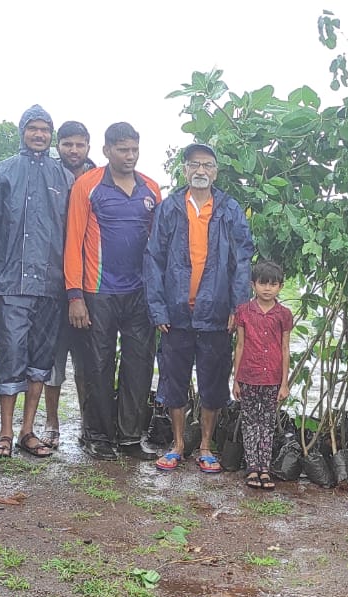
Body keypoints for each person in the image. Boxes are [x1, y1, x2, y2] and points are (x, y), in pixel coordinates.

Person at [144, 142, 253, 472]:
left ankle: (206, 445)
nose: (201, 171)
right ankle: (177, 444)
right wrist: (158, 308)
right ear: (185, 170)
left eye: (207, 165)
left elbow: (242, 259)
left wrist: (238, 306)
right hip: (176, 314)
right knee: (174, 381)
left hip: (216, 313)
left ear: (216, 172)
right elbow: (154, 258)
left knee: (213, 382)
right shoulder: (170, 208)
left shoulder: (229, 209)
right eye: (194, 165)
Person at [67, 122, 164, 463]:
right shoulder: (88, 186)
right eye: (123, 150)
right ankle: (96, 435)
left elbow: (158, 245)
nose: (129, 156)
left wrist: (158, 294)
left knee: (139, 364)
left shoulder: (151, 189)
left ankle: (129, 437)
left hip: (139, 292)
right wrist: (75, 295)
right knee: (97, 364)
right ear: (106, 150)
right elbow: (73, 242)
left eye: (134, 149)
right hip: (98, 291)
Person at [0, 105, 71, 458]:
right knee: (11, 353)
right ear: (22, 131)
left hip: (51, 284)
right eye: (32, 128)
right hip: (10, 282)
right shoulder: (2, 173)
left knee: (40, 359)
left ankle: (27, 431)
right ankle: (4, 431)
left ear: (51, 136)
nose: (38, 134)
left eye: (44, 129)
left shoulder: (64, 177)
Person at [41, 119, 98, 443]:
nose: (73, 151)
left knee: (89, 360)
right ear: (58, 146)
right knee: (53, 358)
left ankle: (89, 424)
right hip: (53, 282)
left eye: (79, 144)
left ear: (89, 146)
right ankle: (51, 423)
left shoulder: (99, 180)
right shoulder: (48, 175)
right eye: (67, 144)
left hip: (90, 283)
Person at [231, 260, 294, 490]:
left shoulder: (283, 314)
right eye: (262, 283)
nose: (267, 288)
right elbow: (240, 345)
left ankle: (264, 468)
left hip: (273, 378)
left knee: (267, 423)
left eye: (273, 284)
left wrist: (284, 383)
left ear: (280, 287)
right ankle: (251, 467)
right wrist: (236, 378)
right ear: (253, 285)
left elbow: (286, 348)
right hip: (248, 375)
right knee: (249, 422)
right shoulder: (244, 312)